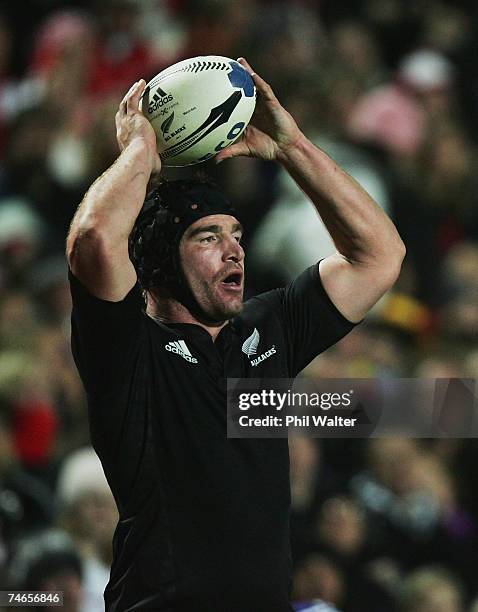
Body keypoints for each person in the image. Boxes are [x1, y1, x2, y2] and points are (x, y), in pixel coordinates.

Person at [66, 58, 405, 611]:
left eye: (236, 234)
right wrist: (138, 154)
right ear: (157, 265)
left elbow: (379, 257)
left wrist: (291, 146)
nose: (234, 250)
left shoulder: (266, 329)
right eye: (206, 237)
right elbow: (95, 242)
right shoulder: (129, 353)